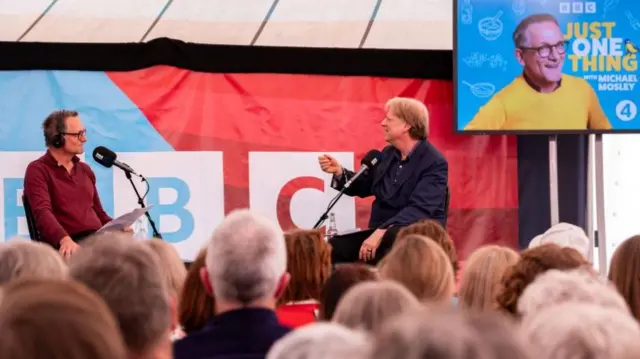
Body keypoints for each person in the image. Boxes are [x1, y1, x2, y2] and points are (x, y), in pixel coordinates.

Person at [318, 97, 448, 264]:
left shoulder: (434, 162)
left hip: (414, 236)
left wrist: (382, 231)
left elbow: (419, 209)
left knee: (391, 238)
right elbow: (365, 185)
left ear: (406, 125)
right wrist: (339, 172)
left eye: (389, 119)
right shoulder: (387, 154)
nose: (382, 123)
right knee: (333, 248)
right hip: (380, 231)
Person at [464, 13, 611, 131]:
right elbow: (468, 143)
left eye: (559, 45)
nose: (555, 56)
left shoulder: (583, 89)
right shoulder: (502, 104)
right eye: (543, 49)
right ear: (521, 57)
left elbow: (607, 137)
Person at [23, 110, 113, 259]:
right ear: (58, 139)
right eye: (79, 134)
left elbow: (99, 213)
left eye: (84, 132)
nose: (84, 139)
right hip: (70, 246)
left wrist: (119, 226)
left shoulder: (85, 170)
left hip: (96, 241)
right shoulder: (38, 170)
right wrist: (64, 239)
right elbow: (42, 213)